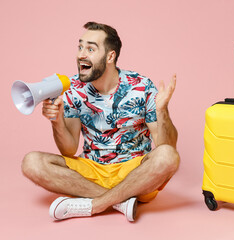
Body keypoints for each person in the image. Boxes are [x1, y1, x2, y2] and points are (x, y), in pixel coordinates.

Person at [21, 21, 180, 222]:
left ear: (110, 56)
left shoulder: (141, 86)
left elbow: (166, 146)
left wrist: (162, 111)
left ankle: (95, 204)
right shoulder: (73, 89)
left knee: (168, 156)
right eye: (80, 47)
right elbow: (69, 149)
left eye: (90, 48)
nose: (81, 55)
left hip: (135, 171)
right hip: (92, 170)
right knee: (31, 162)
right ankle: (120, 202)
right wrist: (56, 120)